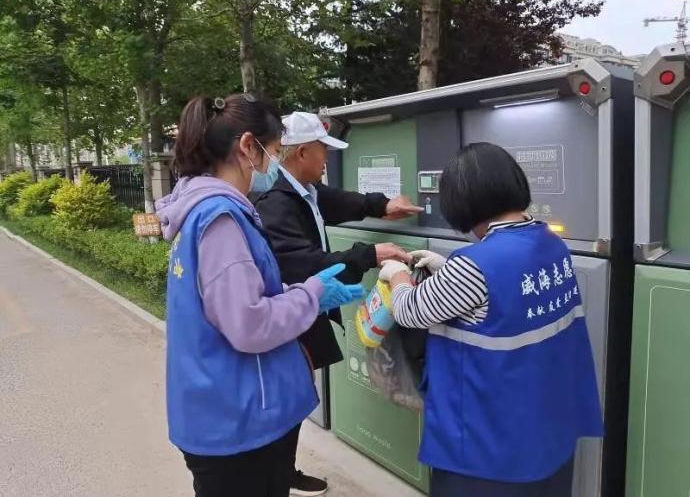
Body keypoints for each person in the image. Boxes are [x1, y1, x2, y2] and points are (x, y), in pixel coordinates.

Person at [155, 94, 364, 497]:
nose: (274, 163)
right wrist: (311, 296)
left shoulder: (201, 211)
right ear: (247, 147)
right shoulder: (221, 220)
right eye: (272, 151)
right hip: (236, 423)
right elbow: (248, 324)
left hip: (216, 408)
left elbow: (232, 299)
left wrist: (296, 291)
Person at [378, 142, 603, 497]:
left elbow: (410, 310)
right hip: (547, 425)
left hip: (490, 447)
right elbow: (503, 302)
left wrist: (396, 275)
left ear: (463, 202)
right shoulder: (551, 242)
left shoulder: (474, 265)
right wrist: (445, 270)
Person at [253, 111, 422, 496]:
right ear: (302, 153)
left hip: (307, 310)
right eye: (323, 150)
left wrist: (383, 206)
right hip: (292, 312)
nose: (327, 158)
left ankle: (285, 469)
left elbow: (343, 202)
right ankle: (278, 476)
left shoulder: (304, 191)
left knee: (298, 389)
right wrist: (369, 254)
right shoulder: (277, 203)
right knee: (290, 393)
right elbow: (304, 264)